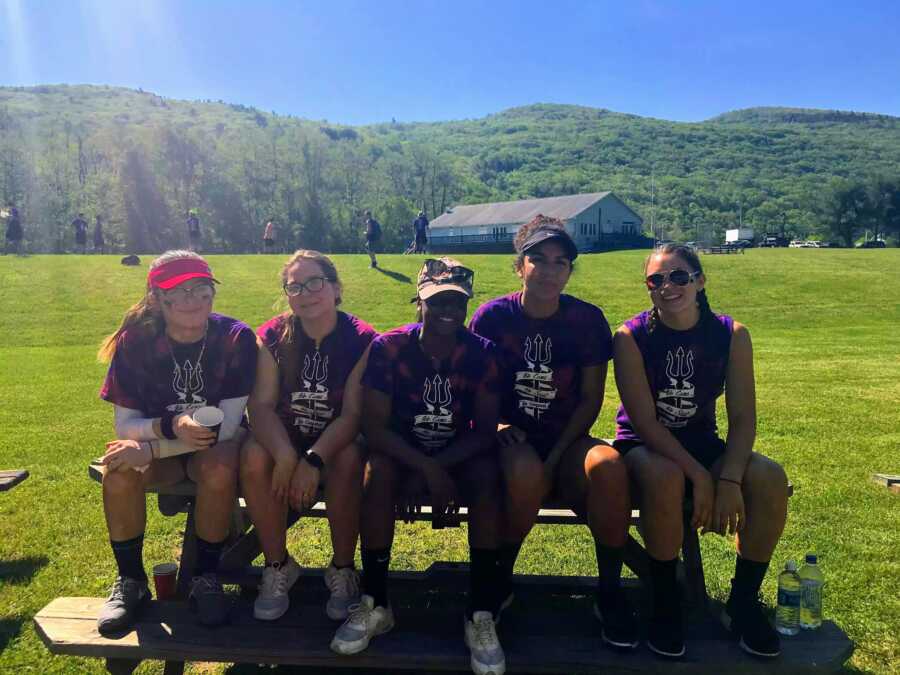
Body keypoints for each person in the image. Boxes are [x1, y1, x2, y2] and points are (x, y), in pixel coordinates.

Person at [468, 215, 637, 649]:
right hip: (512, 437)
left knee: (611, 467)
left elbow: (590, 398)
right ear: (520, 265)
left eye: (561, 262)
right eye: (538, 259)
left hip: (569, 435)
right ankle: (501, 578)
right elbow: (473, 388)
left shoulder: (586, 320)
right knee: (525, 473)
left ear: (570, 269)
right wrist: (500, 424)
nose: (549, 271)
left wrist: (560, 452)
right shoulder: (492, 318)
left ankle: (610, 591)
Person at [331, 258, 506, 675]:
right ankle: (375, 601)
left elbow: (484, 430)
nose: (448, 311)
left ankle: (480, 611)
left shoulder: (482, 354)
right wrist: (425, 470)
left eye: (457, 303)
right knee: (378, 475)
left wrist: (437, 467)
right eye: (437, 301)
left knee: (486, 477)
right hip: (400, 449)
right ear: (419, 301)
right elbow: (374, 427)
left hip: (457, 452)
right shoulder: (390, 348)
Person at [613, 243, 788, 658]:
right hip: (644, 445)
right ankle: (666, 601)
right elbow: (645, 423)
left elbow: (743, 418)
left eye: (679, 277)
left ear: (700, 281)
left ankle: (742, 602)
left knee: (768, 477)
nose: (667, 286)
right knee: (665, 476)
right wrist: (698, 475)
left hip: (704, 443)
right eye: (656, 280)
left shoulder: (731, 334)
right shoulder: (630, 336)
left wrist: (727, 478)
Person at [96, 251, 258, 633]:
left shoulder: (235, 337)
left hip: (216, 447)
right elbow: (125, 426)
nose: (194, 299)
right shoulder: (135, 341)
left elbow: (229, 427)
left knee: (217, 467)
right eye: (180, 291)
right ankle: (131, 581)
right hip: (166, 442)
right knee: (119, 468)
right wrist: (170, 427)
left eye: (202, 289)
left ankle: (206, 577)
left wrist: (150, 446)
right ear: (156, 298)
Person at [241, 250, 376, 622]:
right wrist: (286, 457)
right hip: (284, 436)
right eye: (294, 286)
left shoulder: (362, 339)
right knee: (254, 455)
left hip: (336, 438)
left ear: (335, 288)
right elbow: (262, 407)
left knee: (349, 458)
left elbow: (352, 414)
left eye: (315, 282)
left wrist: (313, 460)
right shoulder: (270, 336)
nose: (306, 293)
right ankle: (278, 564)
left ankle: (343, 568)